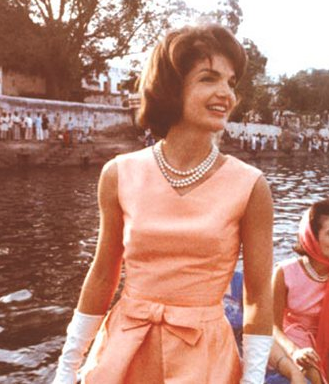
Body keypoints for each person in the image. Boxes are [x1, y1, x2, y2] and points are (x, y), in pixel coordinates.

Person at [53, 24, 274, 384]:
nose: (226, 94)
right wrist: (66, 369)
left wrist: (252, 380)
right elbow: (103, 274)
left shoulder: (250, 186)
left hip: (204, 359)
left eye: (231, 82)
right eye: (208, 78)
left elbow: (259, 295)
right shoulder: (118, 174)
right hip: (124, 351)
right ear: (171, 88)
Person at [271, 197, 329, 384]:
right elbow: (272, 326)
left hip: (324, 348)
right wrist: (294, 351)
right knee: (309, 369)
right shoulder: (285, 271)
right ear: (312, 235)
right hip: (286, 344)